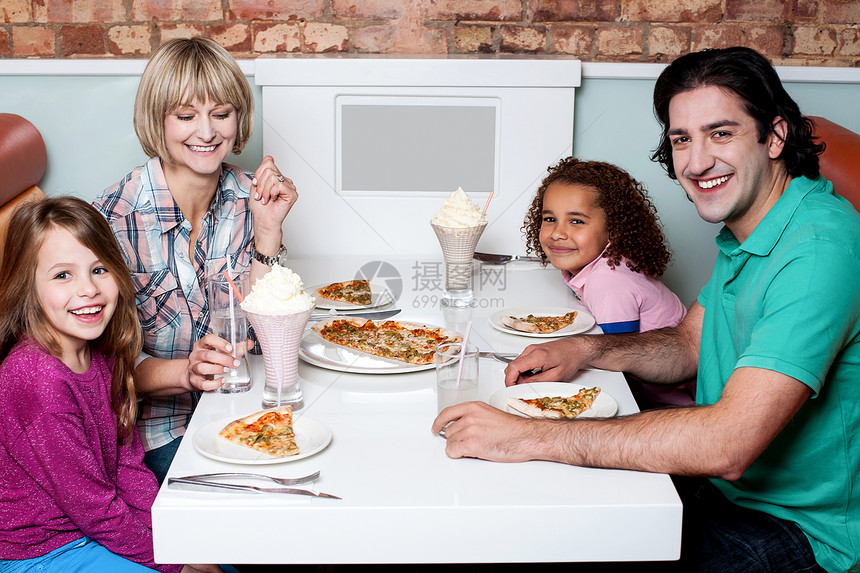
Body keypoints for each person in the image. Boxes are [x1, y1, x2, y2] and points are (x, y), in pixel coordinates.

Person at [432, 46, 859, 573]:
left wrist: (524, 435)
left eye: (721, 133)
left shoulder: (817, 251)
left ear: (774, 136)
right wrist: (587, 348)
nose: (697, 162)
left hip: (798, 532)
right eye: (682, 139)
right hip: (724, 494)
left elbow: (729, 444)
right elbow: (687, 346)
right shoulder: (755, 228)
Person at [93, 37, 298, 483]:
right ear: (157, 120)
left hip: (247, 410)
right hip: (161, 433)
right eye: (185, 116)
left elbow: (263, 342)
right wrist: (185, 371)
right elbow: (99, 370)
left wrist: (268, 232)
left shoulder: (251, 198)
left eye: (220, 114)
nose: (206, 133)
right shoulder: (113, 218)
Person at [0, 197, 220, 573]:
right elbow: (93, 508)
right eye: (62, 275)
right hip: (45, 550)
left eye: (99, 269)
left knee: (222, 561)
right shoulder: (39, 380)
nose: (88, 290)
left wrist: (170, 541)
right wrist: (175, 564)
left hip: (96, 527)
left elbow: (127, 464)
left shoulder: (99, 354)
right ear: (27, 286)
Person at [522, 157, 691, 408]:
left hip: (663, 405)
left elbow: (616, 358)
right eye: (549, 219)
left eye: (576, 221)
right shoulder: (601, 265)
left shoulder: (608, 280)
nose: (557, 232)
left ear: (613, 229)